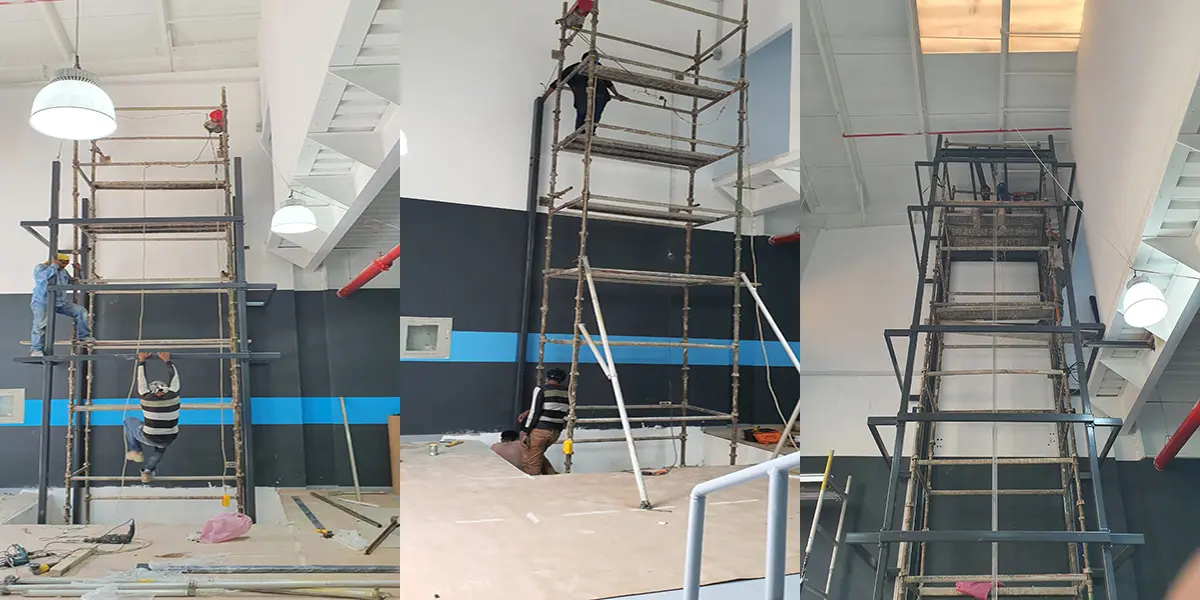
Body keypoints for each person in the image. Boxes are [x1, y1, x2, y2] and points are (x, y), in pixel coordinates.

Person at [125, 352, 181, 483]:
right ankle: (148, 471)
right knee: (160, 448)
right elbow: (175, 377)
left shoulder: (146, 397)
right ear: (165, 389)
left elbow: (141, 380)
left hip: (151, 435)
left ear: (151, 390)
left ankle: (136, 451)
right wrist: (167, 361)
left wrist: (142, 361)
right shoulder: (173, 396)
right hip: (169, 436)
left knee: (129, 421)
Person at [546, 52, 629, 133]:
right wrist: (544, 97)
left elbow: (608, 82)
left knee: (594, 116)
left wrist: (617, 95)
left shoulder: (598, 66)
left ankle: (589, 133)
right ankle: (580, 134)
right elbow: (557, 83)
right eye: (593, 60)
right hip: (583, 97)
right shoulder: (573, 68)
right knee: (583, 115)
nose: (595, 62)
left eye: (596, 60)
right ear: (584, 60)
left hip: (600, 95)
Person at [30, 252, 94, 357]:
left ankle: (83, 336)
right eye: (62, 262)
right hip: (42, 302)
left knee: (80, 311)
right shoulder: (41, 267)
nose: (64, 265)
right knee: (40, 325)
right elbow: (41, 278)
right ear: (56, 261)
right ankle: (36, 350)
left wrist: (79, 272)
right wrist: (54, 266)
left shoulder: (63, 272)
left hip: (59, 302)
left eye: (66, 263)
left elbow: (74, 283)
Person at [518, 368, 568, 476]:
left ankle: (534, 488)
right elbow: (555, 408)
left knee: (531, 463)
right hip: (555, 431)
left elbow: (535, 412)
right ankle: (551, 477)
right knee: (538, 456)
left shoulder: (541, 389)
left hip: (540, 430)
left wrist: (525, 431)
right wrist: (528, 411)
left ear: (547, 378)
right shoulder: (566, 391)